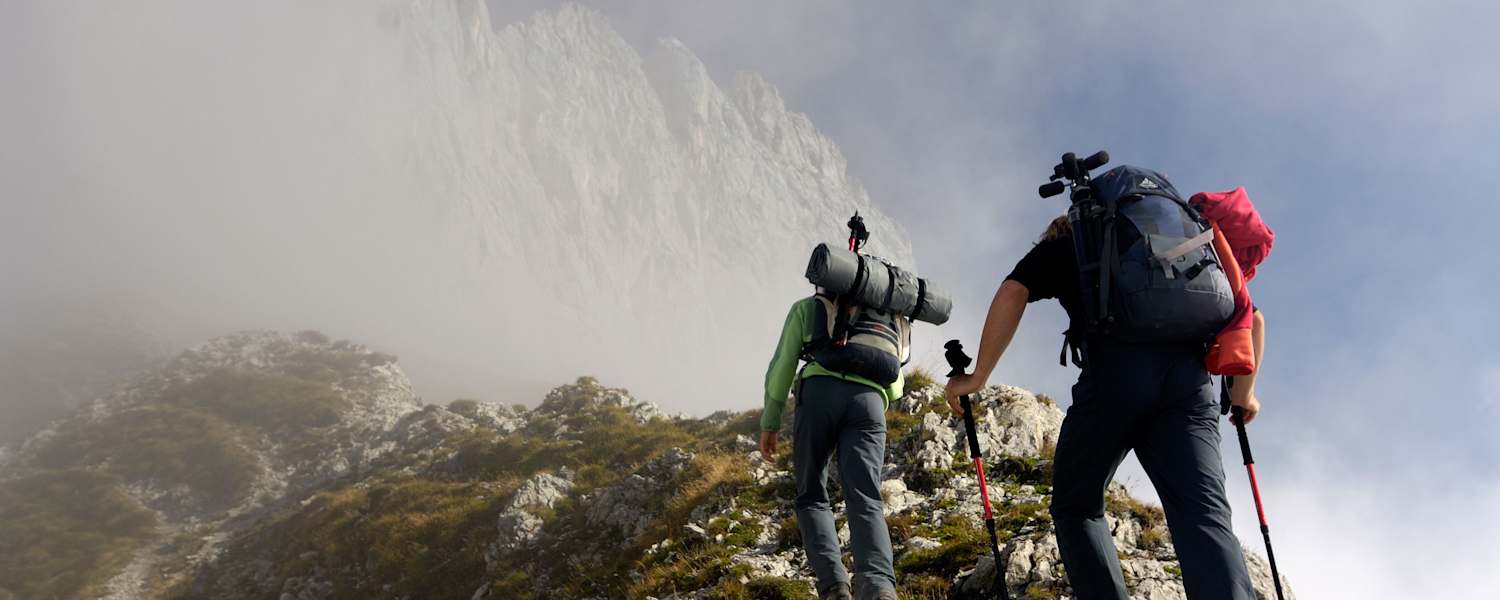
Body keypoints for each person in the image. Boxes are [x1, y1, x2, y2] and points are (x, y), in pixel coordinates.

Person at [944, 214, 1261, 599]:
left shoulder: (1073, 241)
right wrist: (1244, 397)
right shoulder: (1166, 245)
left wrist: (978, 376)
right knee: (1204, 515)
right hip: (1188, 386)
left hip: (1115, 375)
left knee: (1076, 506)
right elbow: (1251, 317)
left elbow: (1014, 290)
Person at [760, 289, 907, 600]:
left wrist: (770, 422)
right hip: (869, 403)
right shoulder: (889, 318)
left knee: (812, 493)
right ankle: (879, 586)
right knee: (866, 496)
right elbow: (896, 387)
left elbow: (783, 365)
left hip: (819, 393)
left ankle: (834, 586)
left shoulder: (809, 307)